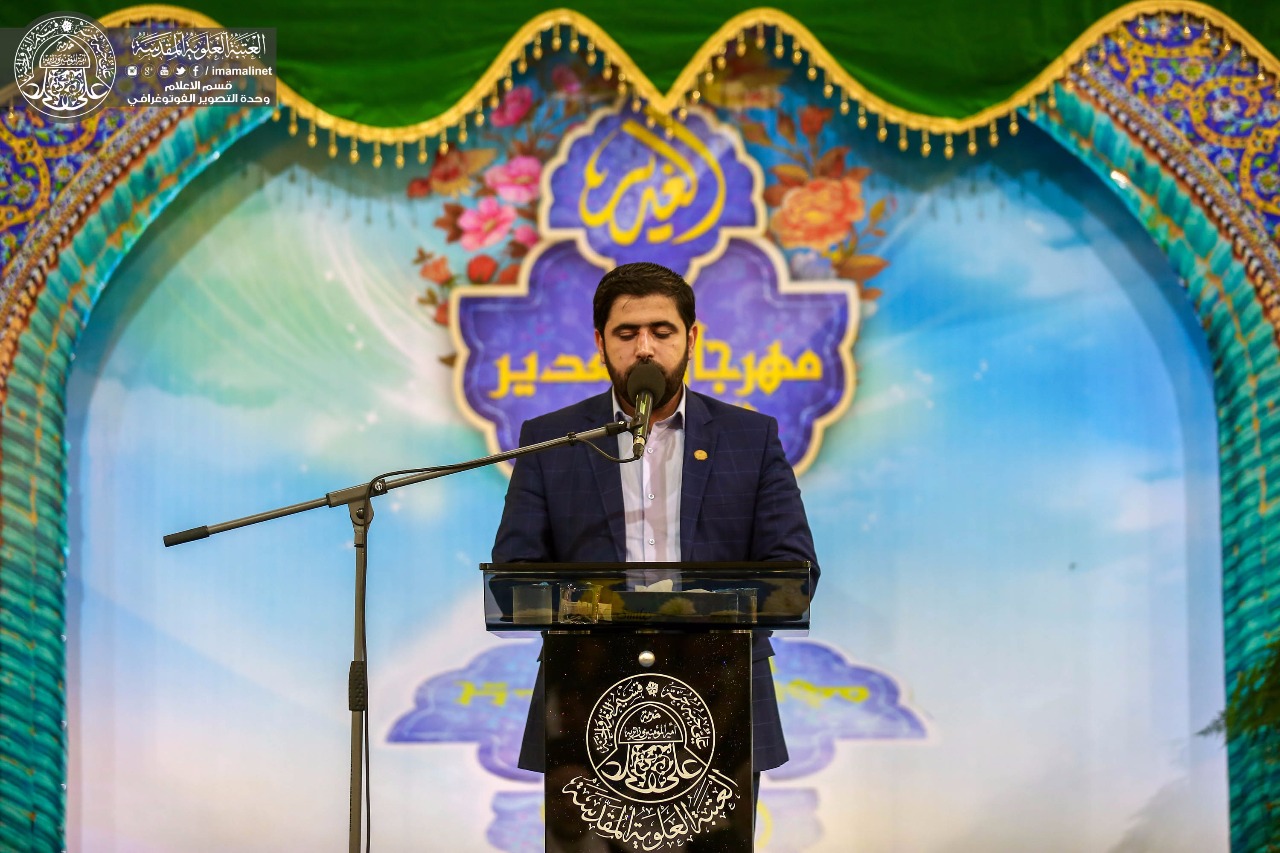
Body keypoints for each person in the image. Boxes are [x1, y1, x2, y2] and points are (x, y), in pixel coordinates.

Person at [491, 260, 819, 784]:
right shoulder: (553, 440)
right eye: (627, 333)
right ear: (600, 343)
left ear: (691, 338)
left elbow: (792, 572)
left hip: (722, 690)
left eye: (662, 331)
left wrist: (701, 608)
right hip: (584, 689)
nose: (644, 348)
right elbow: (515, 575)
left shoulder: (750, 438)